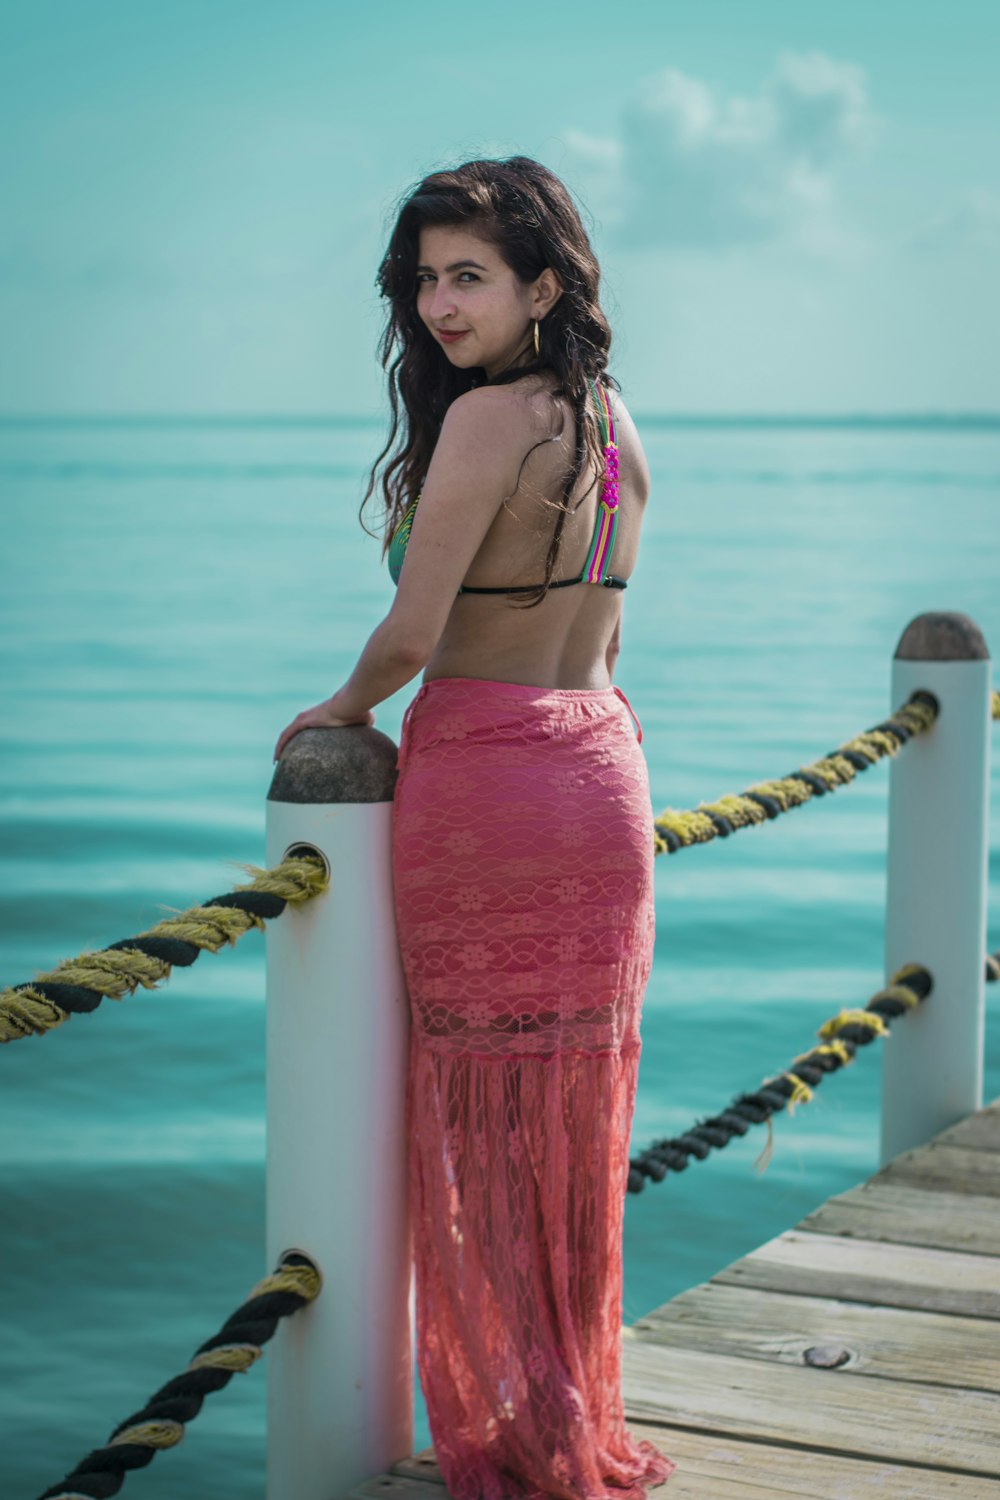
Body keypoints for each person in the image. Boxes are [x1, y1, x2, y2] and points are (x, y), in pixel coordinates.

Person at [273, 155, 674, 1500]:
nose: (440, 304)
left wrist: (330, 714)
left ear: (541, 284)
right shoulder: (619, 422)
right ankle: (567, 1408)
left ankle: (508, 1427)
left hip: (491, 783)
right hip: (603, 773)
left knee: (478, 1112)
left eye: (470, 277)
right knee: (566, 1114)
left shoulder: (489, 420)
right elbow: (609, 636)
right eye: (426, 278)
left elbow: (415, 631)